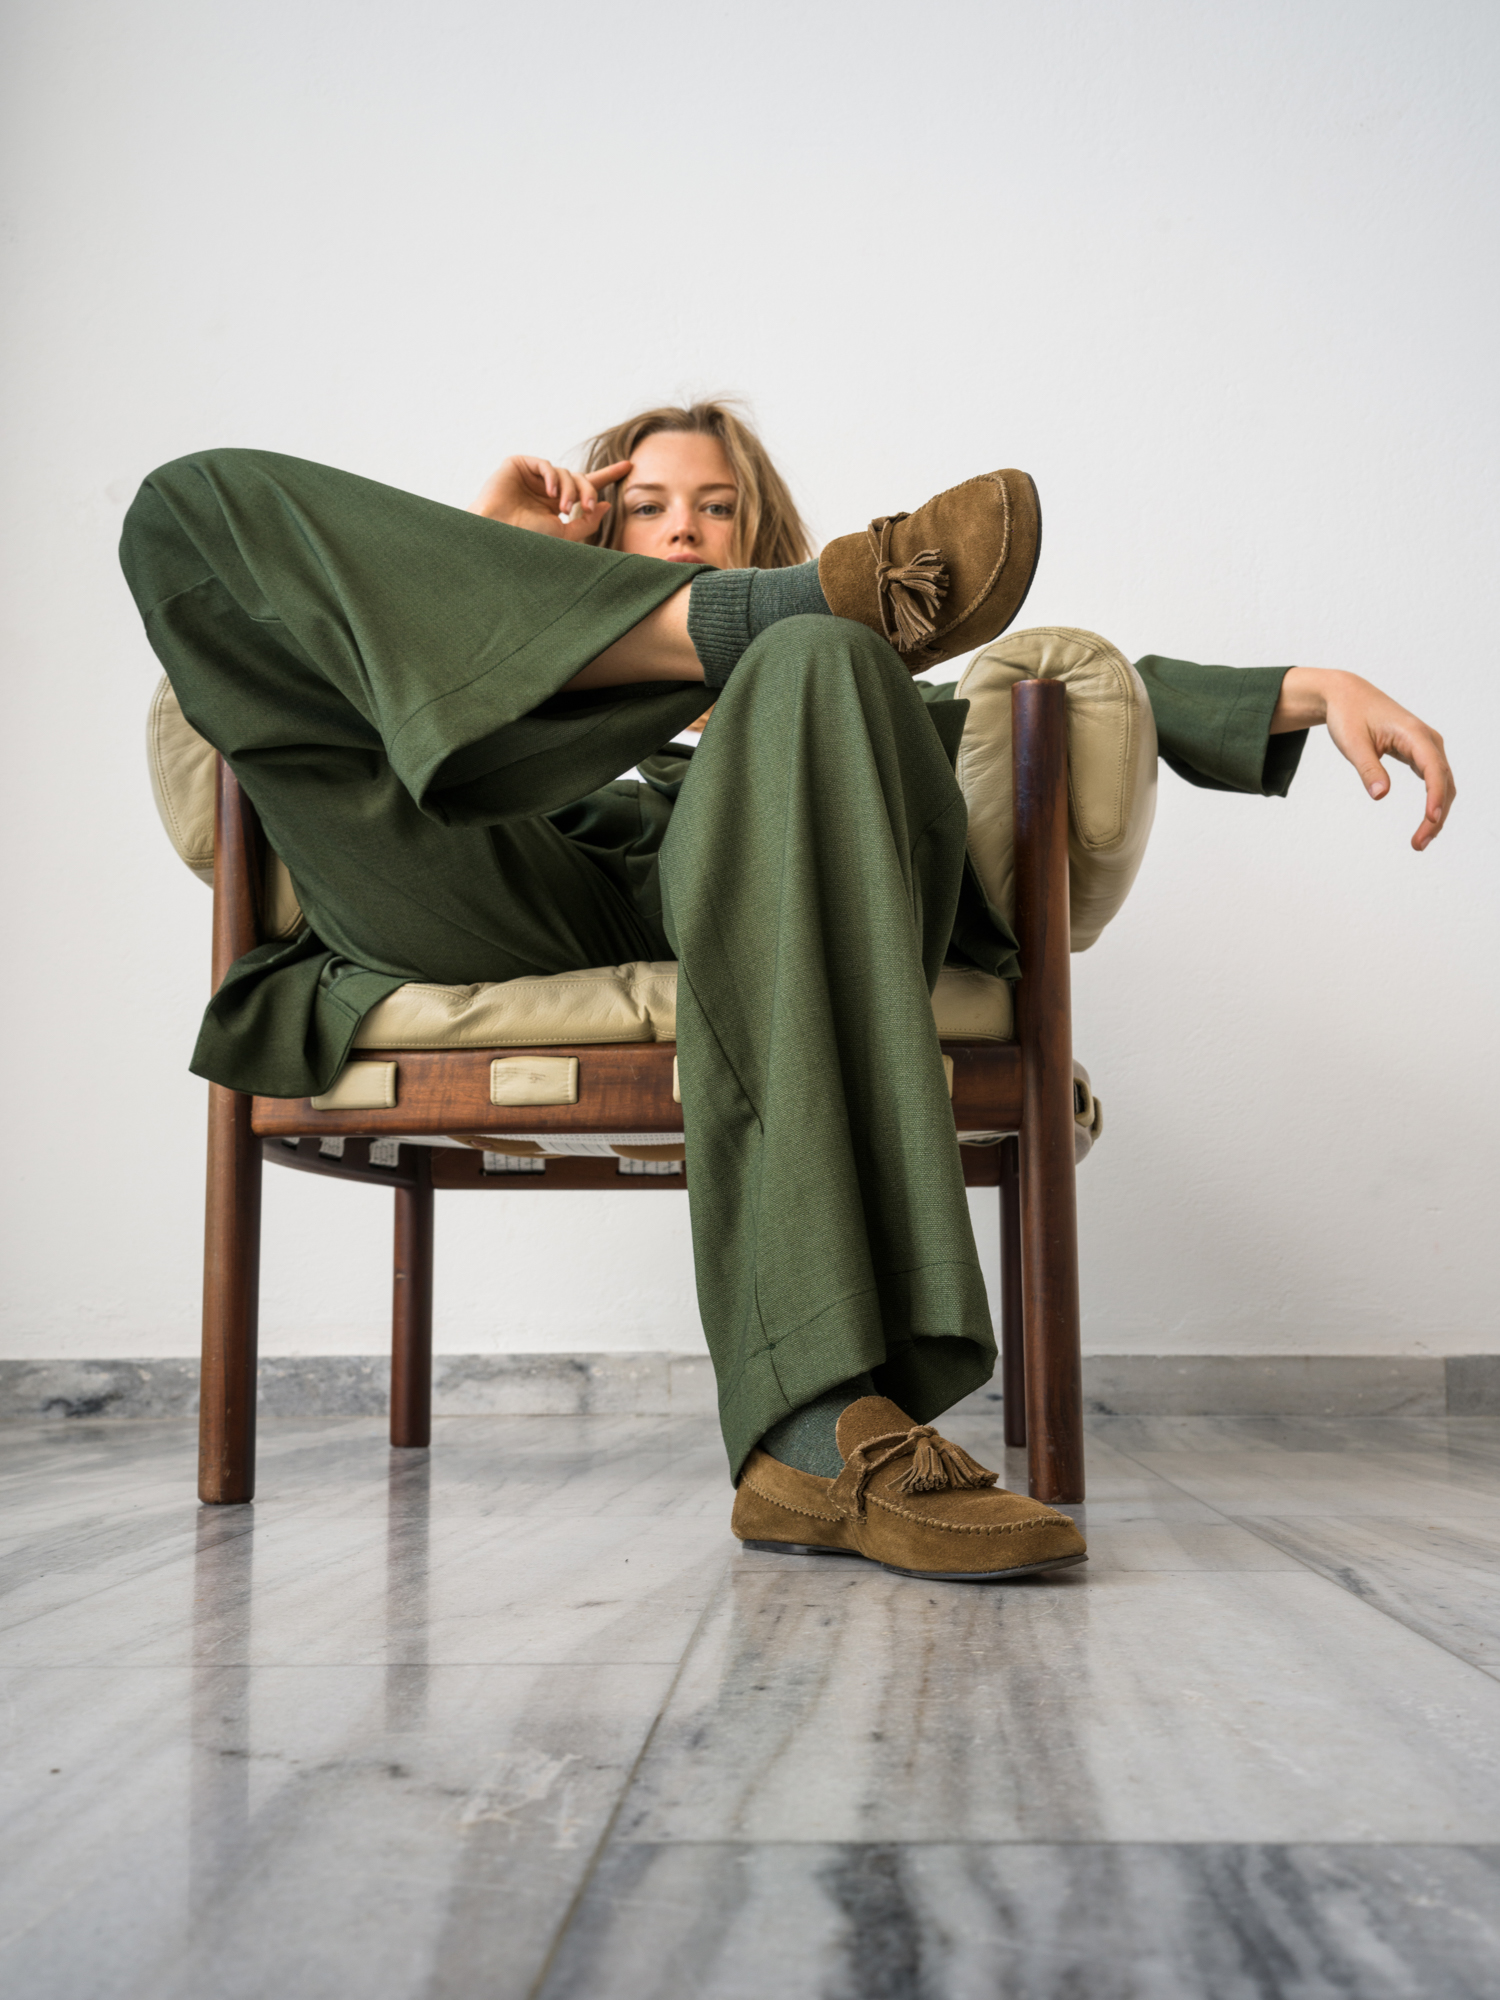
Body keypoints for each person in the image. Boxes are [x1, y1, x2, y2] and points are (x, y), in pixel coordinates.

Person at [120, 401, 1454, 1584]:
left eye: (716, 509)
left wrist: (1304, 688)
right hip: (495, 870)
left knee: (827, 661)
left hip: (761, 873)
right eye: (647, 506)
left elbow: (1059, 697)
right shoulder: (519, 639)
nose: (681, 525)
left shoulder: (838, 695)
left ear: (761, 533)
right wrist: (483, 561)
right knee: (190, 507)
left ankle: (821, 1427)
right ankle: (677, 622)